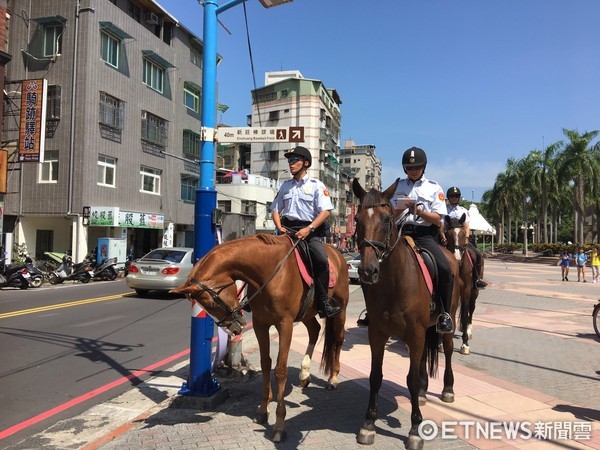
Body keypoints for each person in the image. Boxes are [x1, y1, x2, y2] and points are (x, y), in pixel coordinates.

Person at [271, 146, 342, 318]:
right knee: (264, 255)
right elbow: (275, 208)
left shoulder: (316, 185)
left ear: (306, 163)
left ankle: (323, 302)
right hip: (286, 230)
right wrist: (279, 226)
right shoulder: (285, 186)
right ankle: (252, 300)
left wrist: (309, 229)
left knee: (320, 259)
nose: (291, 163)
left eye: (294, 160)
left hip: (309, 231)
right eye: (289, 160)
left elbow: (325, 211)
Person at [392, 147, 455, 333]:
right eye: (409, 168)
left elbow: (438, 219)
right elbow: (388, 216)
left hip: (424, 235)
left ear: (424, 167)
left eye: (417, 167)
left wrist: (419, 211)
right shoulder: (397, 187)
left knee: (444, 268)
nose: (413, 170)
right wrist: (401, 208)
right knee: (374, 265)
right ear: (405, 169)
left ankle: (445, 313)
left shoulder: (434, 187)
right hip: (400, 234)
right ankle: (373, 311)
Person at [444, 186, 488, 290]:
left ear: (459, 198)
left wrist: (467, 238)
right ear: (448, 198)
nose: (454, 198)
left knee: (477, 254)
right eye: (452, 196)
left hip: (462, 238)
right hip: (448, 239)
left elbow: (467, 226)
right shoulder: (443, 210)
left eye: (456, 196)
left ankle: (477, 280)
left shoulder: (464, 210)